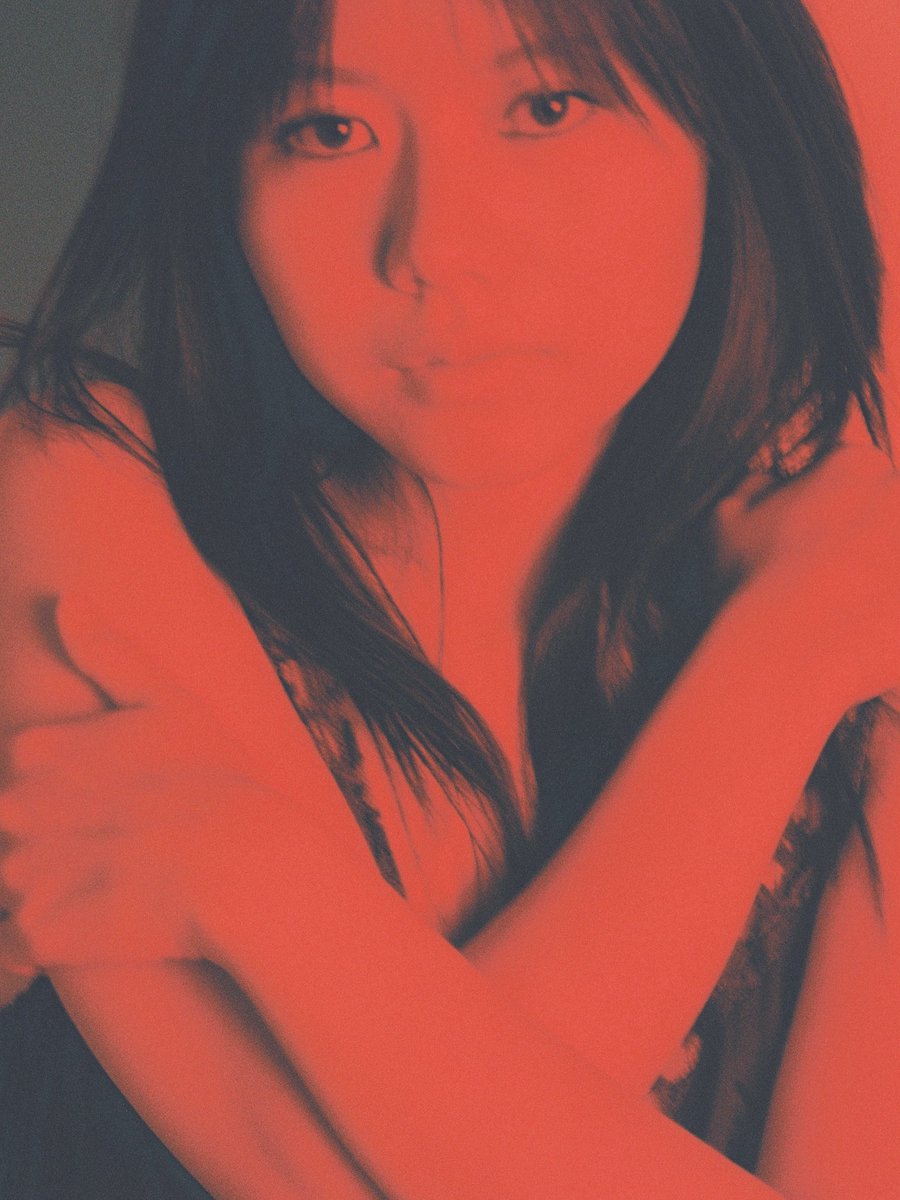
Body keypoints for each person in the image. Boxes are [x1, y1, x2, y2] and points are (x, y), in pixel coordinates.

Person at [0, 0, 897, 1196]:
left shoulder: (853, 633)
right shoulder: (84, 488)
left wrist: (257, 884)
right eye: (327, 129)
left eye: (546, 107)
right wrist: (784, 654)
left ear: (731, 126)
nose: (432, 243)